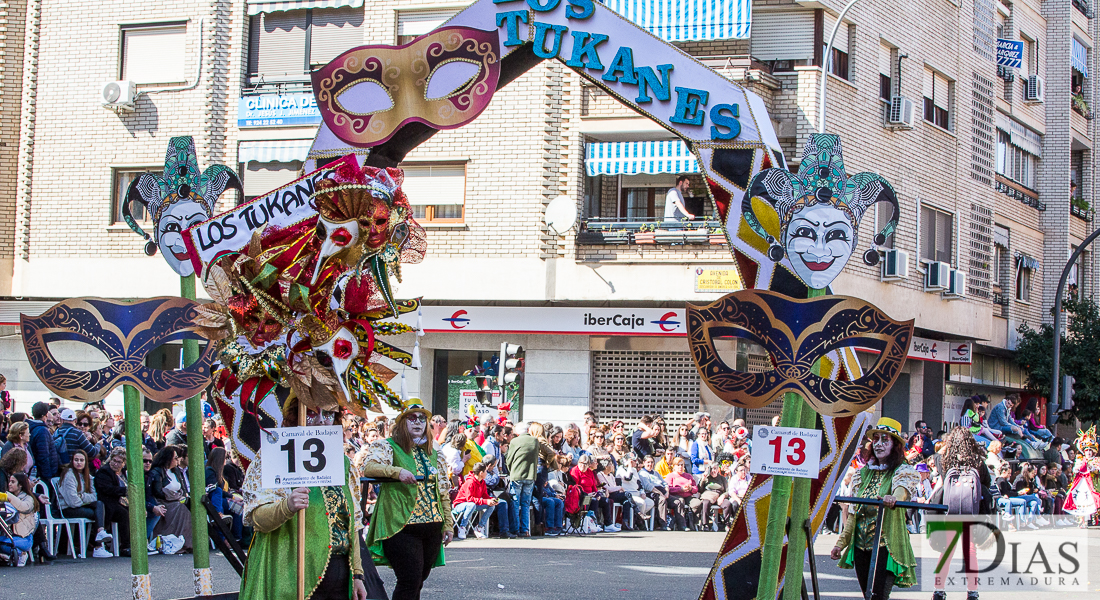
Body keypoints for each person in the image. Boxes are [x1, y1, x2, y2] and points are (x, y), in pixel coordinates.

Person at [241, 406, 368, 600]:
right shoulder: (272, 454)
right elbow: (257, 519)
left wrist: (358, 574)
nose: (320, 421)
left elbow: (353, 524)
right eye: (310, 412)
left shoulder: (344, 464)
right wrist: (287, 507)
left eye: (327, 414)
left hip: (339, 574)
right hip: (288, 574)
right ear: (294, 415)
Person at [360, 399, 453, 600]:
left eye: (422, 418)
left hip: (432, 525)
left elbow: (443, 492)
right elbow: (369, 467)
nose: (418, 422)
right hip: (401, 525)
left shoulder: (434, 453)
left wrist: (448, 524)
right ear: (402, 423)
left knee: (419, 580)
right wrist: (396, 472)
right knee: (409, 580)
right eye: (412, 418)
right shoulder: (387, 447)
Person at [831, 418, 918, 600]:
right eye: (876, 439)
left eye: (884, 440)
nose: (878, 444)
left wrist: (894, 498)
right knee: (867, 595)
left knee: (877, 596)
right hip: (861, 547)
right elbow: (853, 515)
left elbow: (902, 490)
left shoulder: (902, 470)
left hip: (885, 546)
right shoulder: (863, 473)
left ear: (894, 445)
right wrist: (841, 543)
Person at [57, 449, 113, 558]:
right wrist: (84, 498)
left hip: (80, 505)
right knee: (98, 513)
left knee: (99, 504)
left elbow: (94, 496)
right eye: (76, 460)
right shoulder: (69, 475)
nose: (79, 463)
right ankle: (98, 546)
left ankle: (100, 537)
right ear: (72, 461)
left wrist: (81, 496)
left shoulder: (87, 476)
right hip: (67, 508)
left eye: (81, 460)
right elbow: (73, 501)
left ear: (85, 462)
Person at [504, 422, 557, 537]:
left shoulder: (514, 441)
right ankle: (525, 529)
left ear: (517, 432)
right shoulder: (535, 441)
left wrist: (510, 470)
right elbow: (547, 453)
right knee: (526, 503)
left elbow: (509, 459)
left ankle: (515, 529)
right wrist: (547, 464)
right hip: (531, 475)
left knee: (515, 502)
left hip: (517, 475)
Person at [147, 446, 193, 552]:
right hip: (164, 501)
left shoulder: (176, 471)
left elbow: (182, 487)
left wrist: (179, 495)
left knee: (190, 507)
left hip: (177, 499)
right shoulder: (157, 471)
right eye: (175, 458)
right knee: (183, 509)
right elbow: (158, 491)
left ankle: (187, 541)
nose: (178, 460)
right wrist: (173, 496)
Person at [93, 447, 131, 556]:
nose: (115, 464)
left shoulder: (123, 474)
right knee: (124, 514)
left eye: (119, 462)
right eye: (114, 460)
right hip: (107, 503)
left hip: (118, 502)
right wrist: (125, 491)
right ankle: (125, 546)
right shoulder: (104, 472)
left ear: (124, 463)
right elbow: (107, 489)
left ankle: (135, 544)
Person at [206, 446, 244, 544]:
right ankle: (219, 515)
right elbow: (213, 489)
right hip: (213, 499)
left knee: (240, 507)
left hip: (220, 499)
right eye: (224, 458)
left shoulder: (220, 472)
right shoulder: (210, 471)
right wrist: (231, 496)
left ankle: (237, 538)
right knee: (235, 505)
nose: (226, 460)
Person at [1063, 426, 1100, 527]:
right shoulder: (1080, 459)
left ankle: (1094, 518)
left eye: (1090, 450)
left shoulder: (1096, 460)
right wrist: (1077, 468)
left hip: (1092, 484)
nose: (1088, 452)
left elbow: (1097, 470)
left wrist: (1091, 468)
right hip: (1082, 484)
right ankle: (1082, 521)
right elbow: (1075, 470)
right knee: (1081, 501)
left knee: (1093, 500)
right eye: (1086, 450)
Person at [451, 462, 498, 540]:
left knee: (491, 506)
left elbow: (485, 495)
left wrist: (491, 500)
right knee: (471, 505)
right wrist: (486, 501)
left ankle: (479, 527)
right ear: (481, 473)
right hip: (460, 505)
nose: (487, 473)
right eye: (486, 471)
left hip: (474, 504)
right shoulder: (470, 482)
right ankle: (462, 527)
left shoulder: (482, 482)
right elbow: (469, 499)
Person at [0, 473, 39, 566]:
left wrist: (8, 496)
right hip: (9, 536)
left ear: (20, 485)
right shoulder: (8, 498)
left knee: (4, 544)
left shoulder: (29, 499)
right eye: (9, 481)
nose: (9, 484)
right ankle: (7, 556)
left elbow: (23, 507)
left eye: (13, 482)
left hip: (24, 539)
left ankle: (20, 554)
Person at [693, 461, 731, 530]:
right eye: (712, 469)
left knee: (727, 504)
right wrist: (703, 480)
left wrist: (723, 496)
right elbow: (700, 490)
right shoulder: (707, 478)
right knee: (705, 503)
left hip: (719, 496)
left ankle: (726, 524)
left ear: (718, 470)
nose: (713, 471)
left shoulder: (722, 479)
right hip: (709, 495)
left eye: (715, 469)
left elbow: (728, 491)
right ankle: (705, 524)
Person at [27, 402, 60, 480]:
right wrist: (47, 476)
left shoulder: (30, 427)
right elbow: (43, 455)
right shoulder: (42, 430)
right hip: (43, 474)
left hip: (36, 471)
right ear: (45, 415)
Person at [617, 453, 653, 525]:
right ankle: (639, 521)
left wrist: (642, 492)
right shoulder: (621, 469)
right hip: (629, 493)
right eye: (633, 461)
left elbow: (639, 482)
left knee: (650, 502)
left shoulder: (634, 470)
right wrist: (629, 466)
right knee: (642, 503)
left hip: (637, 492)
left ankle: (636, 517)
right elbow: (628, 478)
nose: (635, 462)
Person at [666, 457, 698, 531]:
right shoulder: (670, 476)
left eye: (682, 465)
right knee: (680, 502)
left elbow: (696, 489)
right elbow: (669, 489)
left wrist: (690, 488)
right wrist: (680, 489)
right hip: (676, 495)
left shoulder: (688, 476)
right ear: (674, 466)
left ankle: (693, 522)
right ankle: (681, 525)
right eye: (678, 465)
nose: (680, 467)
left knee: (697, 503)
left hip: (688, 495)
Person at [638, 454, 669, 530]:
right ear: (644, 463)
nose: (650, 464)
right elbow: (648, 486)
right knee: (662, 500)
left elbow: (664, 483)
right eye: (648, 462)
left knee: (677, 502)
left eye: (652, 462)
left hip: (663, 491)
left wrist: (667, 491)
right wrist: (661, 493)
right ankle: (663, 524)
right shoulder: (642, 473)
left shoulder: (656, 473)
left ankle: (682, 525)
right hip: (651, 493)